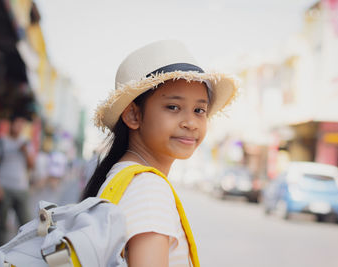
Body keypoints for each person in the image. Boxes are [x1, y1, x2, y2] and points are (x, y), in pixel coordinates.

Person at [82, 40, 238, 267]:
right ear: (133, 115)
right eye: (173, 107)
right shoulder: (148, 189)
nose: (191, 123)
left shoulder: (124, 176)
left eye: (199, 110)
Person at [0, 115, 35, 245]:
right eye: (17, 124)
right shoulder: (1, 141)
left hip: (21, 188)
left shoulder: (26, 142)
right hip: (4, 187)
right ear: (11, 124)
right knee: (2, 225)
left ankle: (22, 253)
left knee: (27, 224)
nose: (19, 127)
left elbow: (32, 165)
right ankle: (0, 255)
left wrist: (25, 151)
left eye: (22, 125)